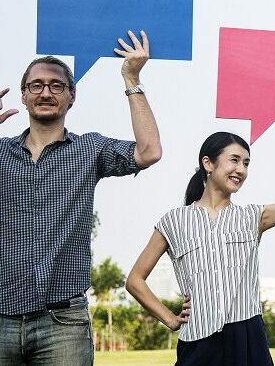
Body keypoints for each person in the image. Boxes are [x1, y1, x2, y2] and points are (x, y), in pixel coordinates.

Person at [0, 30, 161, 365]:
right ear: (24, 96)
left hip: (63, 325)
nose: (46, 92)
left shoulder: (89, 149)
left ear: (71, 96)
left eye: (56, 85)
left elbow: (149, 151)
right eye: (36, 85)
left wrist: (131, 78)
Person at [125, 98, 275, 366]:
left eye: (246, 163)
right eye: (234, 160)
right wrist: (170, 319)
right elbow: (135, 280)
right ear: (208, 163)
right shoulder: (174, 221)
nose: (241, 169)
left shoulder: (253, 217)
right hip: (197, 341)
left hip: (247, 337)